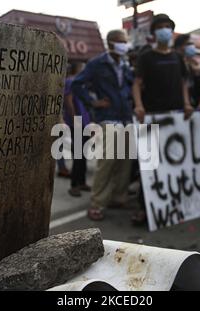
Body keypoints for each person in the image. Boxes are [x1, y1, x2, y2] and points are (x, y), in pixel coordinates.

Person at [132, 14, 193, 225]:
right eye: (160, 27)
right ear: (154, 32)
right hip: (153, 116)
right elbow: (137, 84)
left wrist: (186, 103)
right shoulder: (146, 57)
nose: (164, 30)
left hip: (176, 117)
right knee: (149, 164)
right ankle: (144, 206)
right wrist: (139, 106)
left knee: (176, 160)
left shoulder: (177, 57)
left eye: (168, 26)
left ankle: (176, 202)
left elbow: (184, 83)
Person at [72, 29, 134, 221]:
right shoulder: (97, 63)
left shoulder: (125, 64)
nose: (124, 44)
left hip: (125, 117)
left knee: (125, 160)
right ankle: (97, 203)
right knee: (107, 161)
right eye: (121, 41)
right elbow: (77, 84)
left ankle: (118, 196)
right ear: (111, 42)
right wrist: (93, 103)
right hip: (108, 117)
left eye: (125, 41)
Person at [64, 62, 92, 197]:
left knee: (84, 153)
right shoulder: (70, 81)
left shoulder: (82, 83)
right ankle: (74, 184)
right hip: (78, 122)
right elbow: (68, 101)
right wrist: (75, 118)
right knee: (79, 154)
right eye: (81, 66)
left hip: (85, 121)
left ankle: (82, 181)